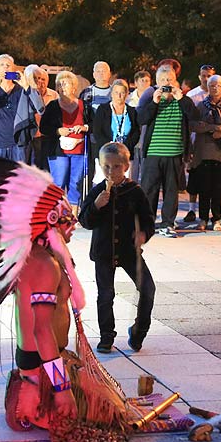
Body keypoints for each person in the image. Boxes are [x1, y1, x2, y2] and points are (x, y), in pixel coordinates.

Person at [0, 152, 128, 442]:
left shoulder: (42, 256)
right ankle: (32, 402)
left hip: (46, 362)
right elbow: (41, 330)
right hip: (40, 369)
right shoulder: (41, 265)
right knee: (111, 415)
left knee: (114, 405)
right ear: (49, 221)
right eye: (66, 217)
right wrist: (62, 388)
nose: (74, 223)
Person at [79, 142, 156, 353]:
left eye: (116, 167)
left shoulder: (135, 191)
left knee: (148, 289)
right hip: (104, 252)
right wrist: (96, 206)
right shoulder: (97, 191)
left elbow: (148, 220)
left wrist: (143, 234)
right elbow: (84, 221)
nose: (111, 171)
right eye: (106, 166)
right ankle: (106, 336)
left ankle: (139, 330)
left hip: (129, 252)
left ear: (125, 166)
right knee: (106, 294)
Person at [137, 65, 199, 238]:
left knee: (171, 191)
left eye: (170, 80)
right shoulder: (151, 99)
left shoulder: (182, 100)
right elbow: (141, 119)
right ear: (157, 82)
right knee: (149, 190)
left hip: (174, 154)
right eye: (163, 80)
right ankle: (147, 224)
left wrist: (182, 100)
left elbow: (194, 116)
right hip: (153, 153)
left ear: (175, 81)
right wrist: (155, 102)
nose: (167, 83)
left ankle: (168, 223)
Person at [40, 70, 92, 217]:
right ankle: (57, 212)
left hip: (80, 150)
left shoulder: (84, 106)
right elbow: (43, 127)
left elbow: (94, 125)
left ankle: (73, 212)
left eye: (66, 83)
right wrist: (58, 131)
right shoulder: (52, 106)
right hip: (58, 151)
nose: (62, 86)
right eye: (59, 84)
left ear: (74, 87)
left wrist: (84, 128)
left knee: (75, 182)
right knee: (59, 181)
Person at [191, 75, 221, 231]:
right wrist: (212, 128)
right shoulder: (201, 105)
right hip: (203, 152)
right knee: (204, 188)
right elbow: (194, 125)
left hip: (220, 153)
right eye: (212, 85)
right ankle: (203, 219)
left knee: (217, 188)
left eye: (218, 85)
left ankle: (216, 219)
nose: (215, 88)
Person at [0, 54, 44, 162]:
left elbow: (40, 108)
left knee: (17, 177)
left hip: (18, 144)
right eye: (2, 65)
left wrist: (26, 86)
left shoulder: (21, 90)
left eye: (8, 65)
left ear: (14, 69)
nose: (5, 67)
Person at [185, 64, 217, 222]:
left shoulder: (218, 94)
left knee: (212, 179)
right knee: (194, 176)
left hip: (212, 143)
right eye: (204, 75)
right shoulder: (192, 95)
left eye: (209, 76)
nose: (206, 78)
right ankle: (191, 209)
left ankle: (212, 211)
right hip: (195, 141)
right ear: (199, 77)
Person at [94, 79, 140, 174]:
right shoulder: (103, 109)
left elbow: (136, 132)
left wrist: (124, 148)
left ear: (127, 94)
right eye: (116, 92)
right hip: (106, 154)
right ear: (111, 93)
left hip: (125, 154)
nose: (119, 96)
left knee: (124, 185)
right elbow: (97, 132)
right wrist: (110, 148)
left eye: (122, 93)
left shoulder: (132, 111)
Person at [24, 65, 59, 170]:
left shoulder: (54, 95)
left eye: (43, 79)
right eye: (37, 79)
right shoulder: (26, 94)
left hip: (47, 137)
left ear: (47, 81)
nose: (40, 82)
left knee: (44, 169)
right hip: (30, 137)